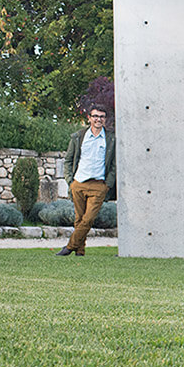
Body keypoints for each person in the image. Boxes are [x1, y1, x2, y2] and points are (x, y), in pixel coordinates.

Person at [57, 104, 116, 257]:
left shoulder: (111, 138)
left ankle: (69, 247)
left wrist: (108, 184)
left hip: (99, 185)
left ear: (105, 119)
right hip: (79, 183)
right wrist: (70, 181)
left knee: (88, 219)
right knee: (79, 219)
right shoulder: (78, 137)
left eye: (102, 116)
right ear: (89, 118)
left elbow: (115, 164)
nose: (98, 119)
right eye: (95, 116)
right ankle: (80, 251)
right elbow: (68, 160)